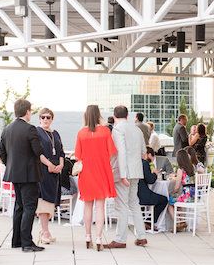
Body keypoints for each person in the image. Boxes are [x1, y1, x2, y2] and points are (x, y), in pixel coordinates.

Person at [0, 99, 50, 253]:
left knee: (19, 207)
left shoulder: (6, 129)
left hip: (14, 174)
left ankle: (17, 241)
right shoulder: (30, 129)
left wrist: (12, 165)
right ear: (27, 111)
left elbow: (2, 153)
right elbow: (38, 151)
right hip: (29, 175)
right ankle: (27, 243)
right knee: (29, 208)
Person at [75, 105, 117, 251]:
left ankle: (88, 236)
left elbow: (78, 156)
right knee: (100, 206)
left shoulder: (81, 133)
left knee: (87, 206)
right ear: (99, 114)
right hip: (102, 171)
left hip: (86, 172)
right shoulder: (105, 131)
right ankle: (99, 238)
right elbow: (112, 152)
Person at [105, 105, 147, 249]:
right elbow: (143, 152)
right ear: (127, 116)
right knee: (134, 203)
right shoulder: (137, 129)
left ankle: (120, 239)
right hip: (136, 171)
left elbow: (120, 152)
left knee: (121, 205)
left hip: (124, 172)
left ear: (115, 116)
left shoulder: (117, 129)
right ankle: (141, 236)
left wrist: (122, 174)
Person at [35, 108, 65, 245]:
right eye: (43, 117)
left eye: (48, 117)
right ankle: (45, 231)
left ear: (52, 119)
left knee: (51, 201)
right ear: (39, 118)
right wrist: (49, 165)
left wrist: (60, 165)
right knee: (44, 201)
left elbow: (61, 152)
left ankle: (45, 230)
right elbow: (37, 152)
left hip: (55, 172)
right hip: (43, 170)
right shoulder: (37, 132)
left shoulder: (56, 133)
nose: (46, 120)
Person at [138, 147, 169, 227]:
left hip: (133, 196)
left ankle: (146, 220)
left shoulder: (132, 163)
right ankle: (149, 221)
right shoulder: (144, 163)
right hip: (142, 196)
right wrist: (155, 173)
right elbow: (151, 180)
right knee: (164, 199)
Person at [168, 148, 194, 231]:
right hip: (193, 195)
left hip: (186, 196)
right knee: (176, 201)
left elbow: (177, 187)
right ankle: (182, 222)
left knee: (169, 202)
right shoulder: (192, 167)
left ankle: (177, 223)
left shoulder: (180, 170)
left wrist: (171, 192)